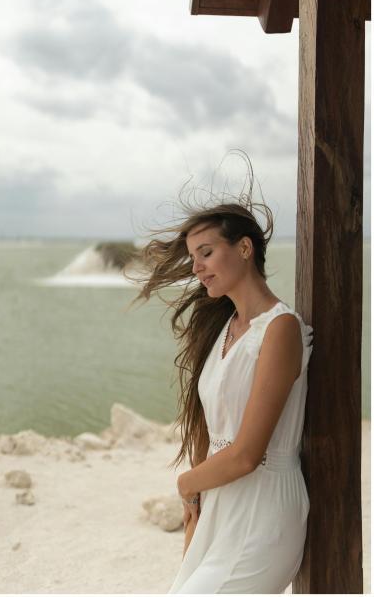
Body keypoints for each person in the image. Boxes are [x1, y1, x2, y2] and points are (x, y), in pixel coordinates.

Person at [129, 186, 313, 593]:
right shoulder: (224, 329)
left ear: (244, 248)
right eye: (193, 257)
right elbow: (211, 430)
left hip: (262, 511)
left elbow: (248, 454)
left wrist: (187, 483)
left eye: (206, 252)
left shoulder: (280, 329)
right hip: (218, 503)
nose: (196, 267)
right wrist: (195, 514)